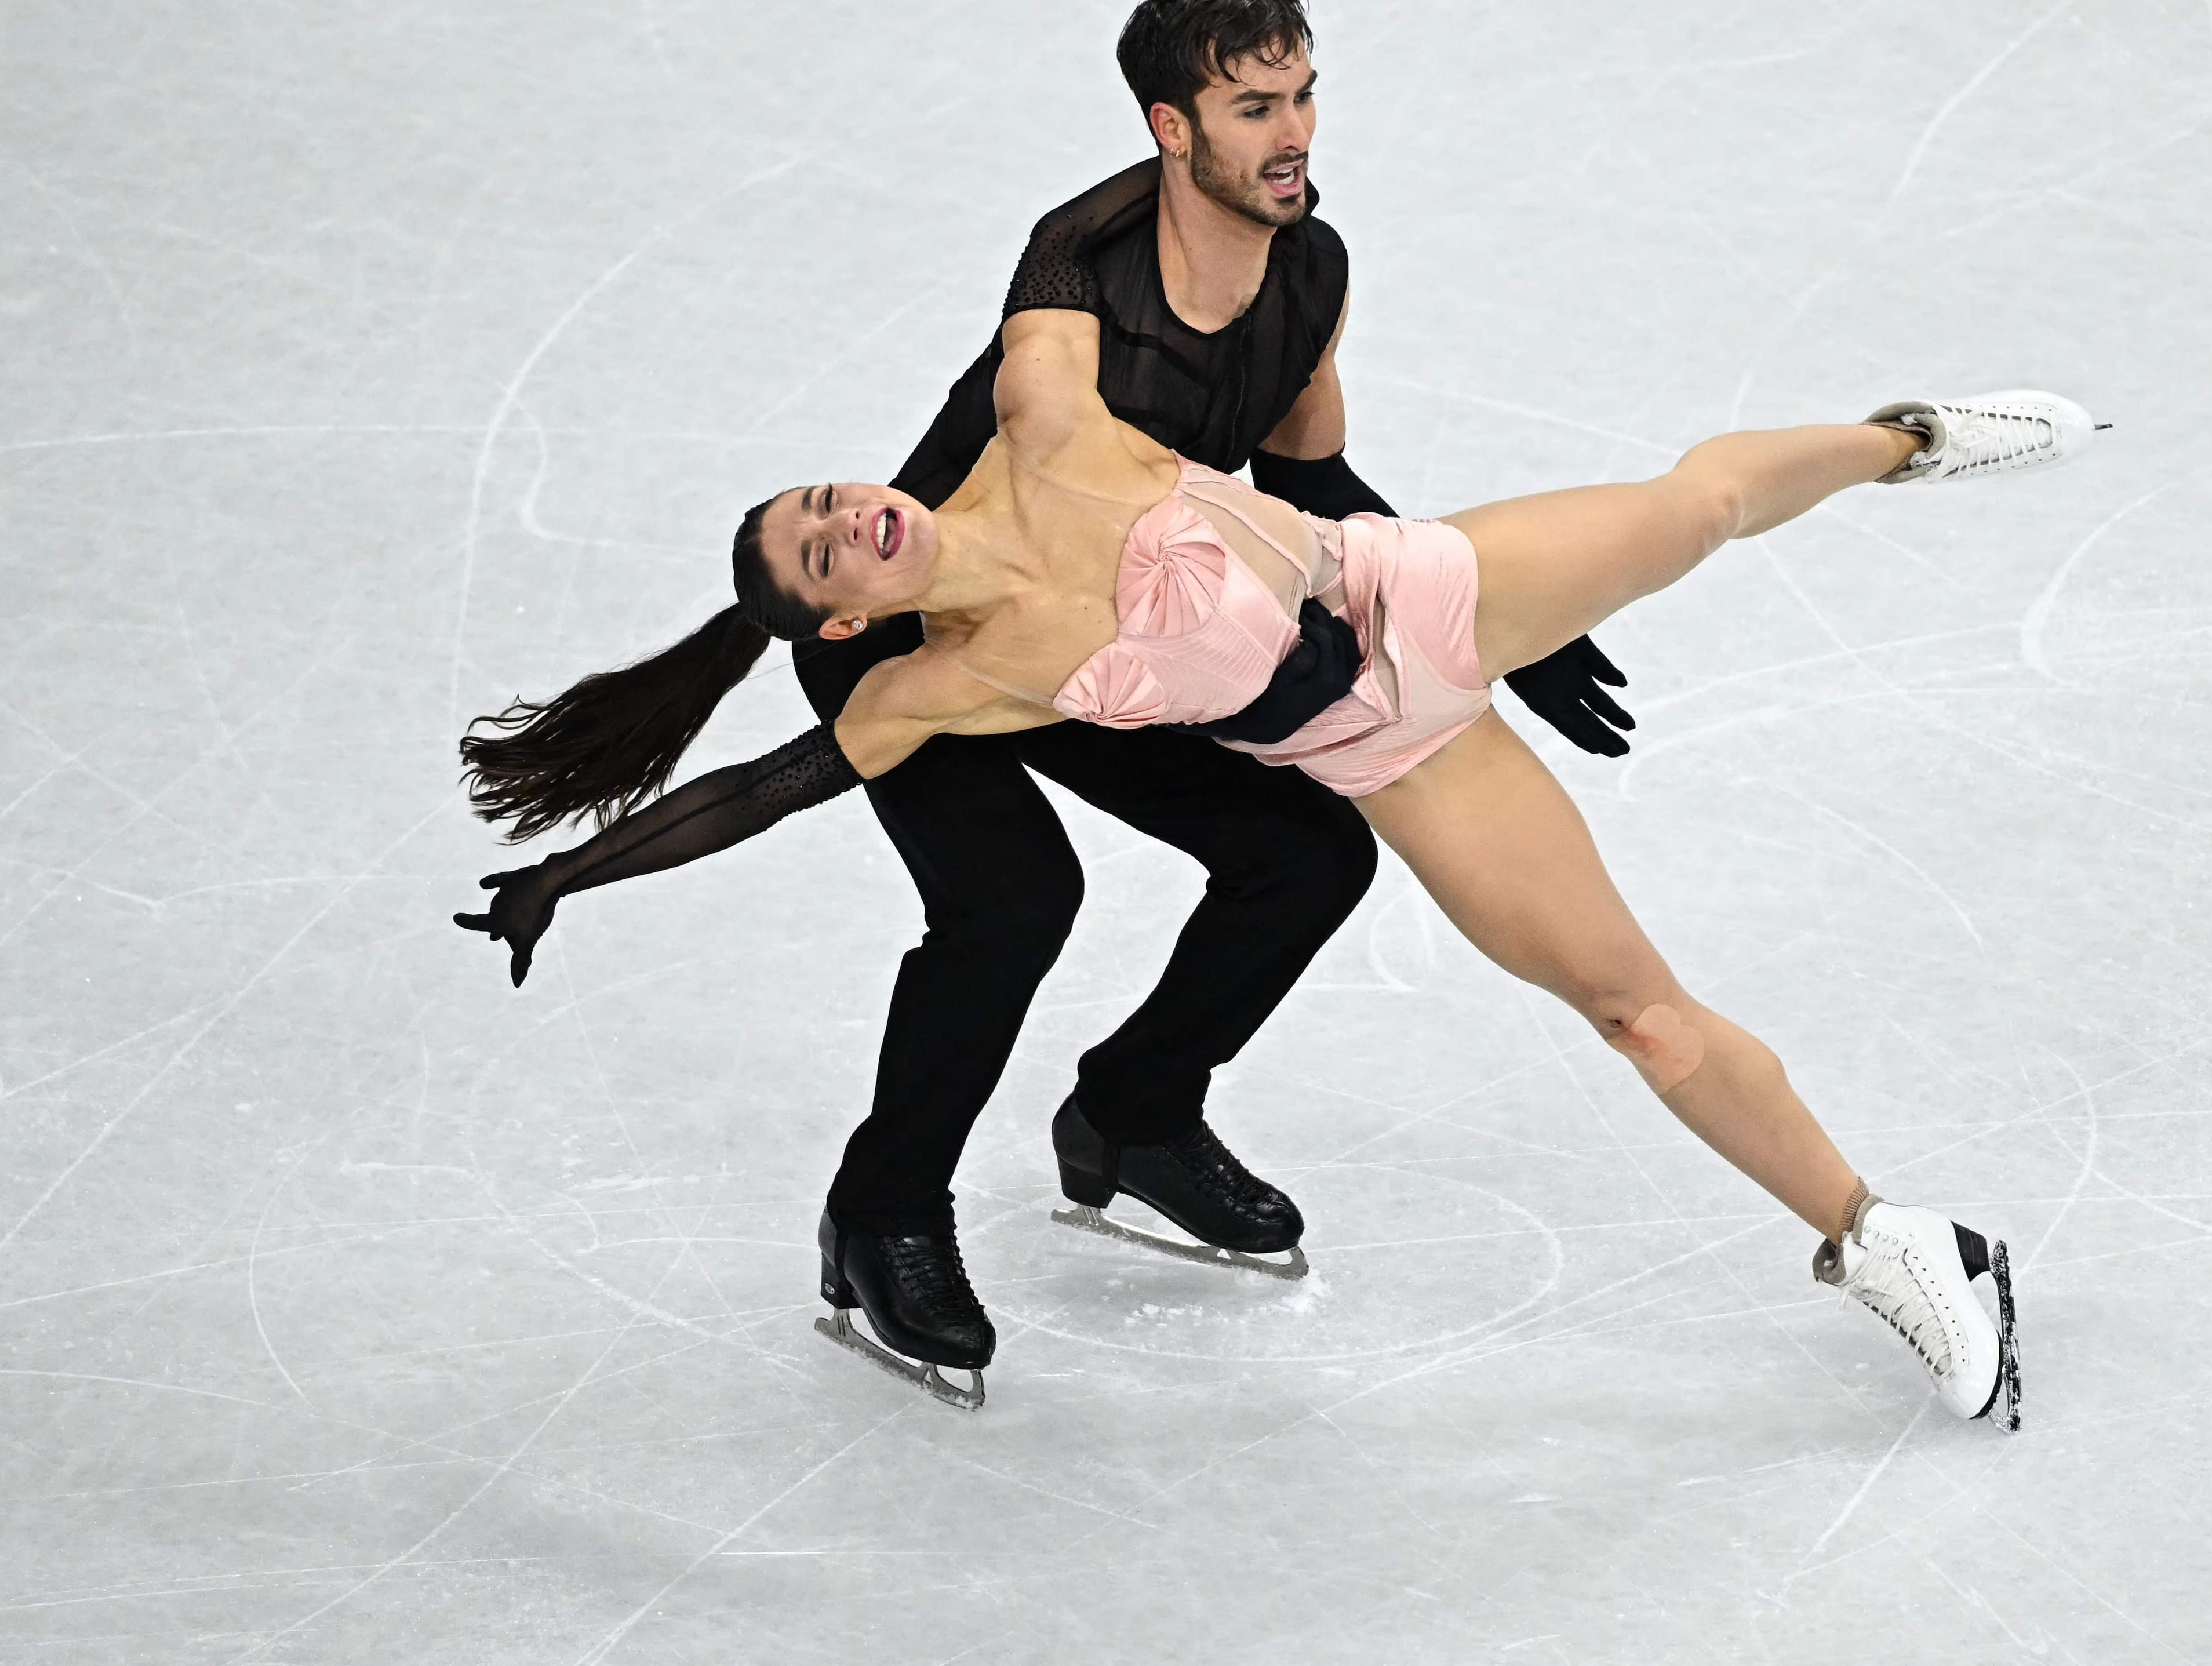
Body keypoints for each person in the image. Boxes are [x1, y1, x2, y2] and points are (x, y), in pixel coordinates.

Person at [460, 294, 2095, 1421]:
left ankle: (1911, 437)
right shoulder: (937, 686)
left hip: (1429, 594)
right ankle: (1890, 1239)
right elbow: (758, 787)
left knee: (1705, 504)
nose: (847, 520)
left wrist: (1227, 128)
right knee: (1636, 1013)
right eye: (822, 554)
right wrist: (563, 876)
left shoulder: (1041, 420)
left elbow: (1087, 253)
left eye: (827, 496)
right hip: (1397, 758)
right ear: (841, 618)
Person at [452, 0, 1635, 1405]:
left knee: (1307, 854)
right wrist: (572, 870)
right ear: (1170, 129)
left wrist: (1516, 618)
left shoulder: (1308, 271)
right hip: (916, 640)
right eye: (1249, 107)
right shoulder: (1079, 303)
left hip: (1111, 640)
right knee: (1013, 899)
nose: (1293, 134)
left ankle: (1136, 1110)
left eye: (1300, 97)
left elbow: (1311, 485)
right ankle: (884, 1211)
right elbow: (1061, 251)